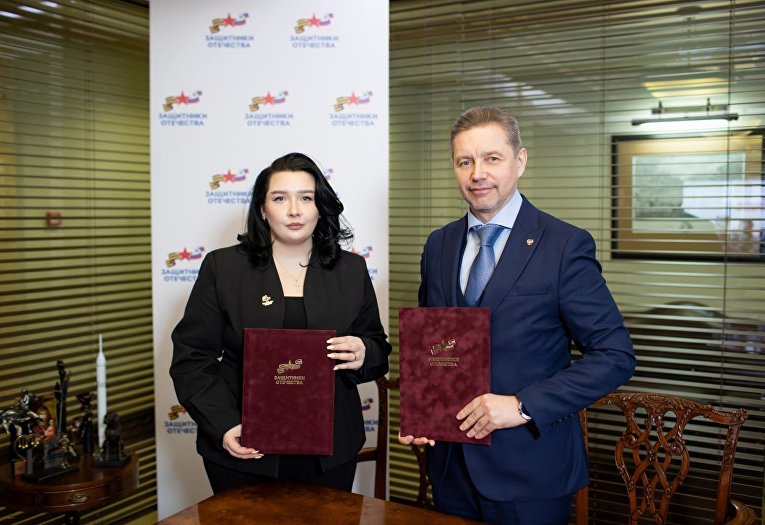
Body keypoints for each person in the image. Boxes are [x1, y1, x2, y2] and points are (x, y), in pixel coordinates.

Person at [400, 107, 636, 525]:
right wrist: (423, 407)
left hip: (530, 471)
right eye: (465, 161)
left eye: (492, 158)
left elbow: (615, 355)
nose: (478, 174)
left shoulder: (564, 245)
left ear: (520, 161)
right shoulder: (438, 245)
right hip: (451, 466)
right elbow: (434, 341)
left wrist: (522, 405)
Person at [171, 152, 391, 494]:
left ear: (320, 206)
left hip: (330, 450)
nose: (294, 210)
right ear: (262, 209)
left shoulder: (351, 270)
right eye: (279, 198)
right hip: (243, 445)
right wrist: (223, 423)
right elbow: (192, 358)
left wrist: (364, 352)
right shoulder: (223, 268)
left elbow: (377, 348)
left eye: (306, 198)